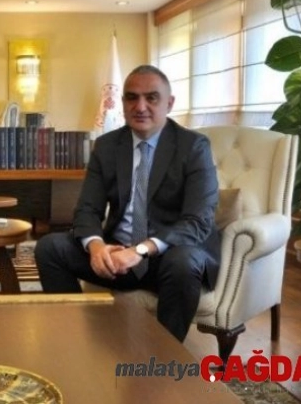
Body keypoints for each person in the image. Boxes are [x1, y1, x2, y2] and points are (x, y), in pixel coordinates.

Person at [34, 65, 220, 342]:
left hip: (168, 256)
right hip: (117, 256)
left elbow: (197, 221)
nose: (140, 106)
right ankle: (75, 340)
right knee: (50, 248)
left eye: (151, 98)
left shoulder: (193, 146)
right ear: (122, 103)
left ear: (169, 103)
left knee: (183, 262)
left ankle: (163, 356)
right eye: (132, 97)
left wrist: (141, 250)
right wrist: (97, 247)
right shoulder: (107, 146)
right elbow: (87, 210)